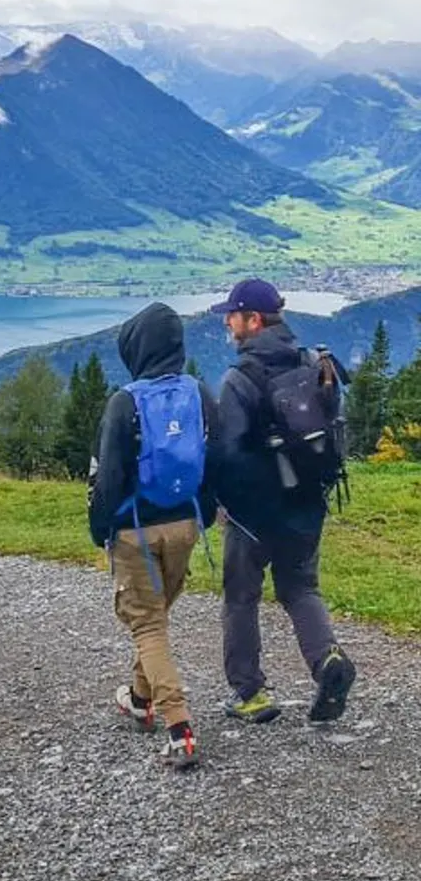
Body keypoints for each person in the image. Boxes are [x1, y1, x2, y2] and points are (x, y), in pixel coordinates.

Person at [213, 278, 355, 724]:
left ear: (253, 320)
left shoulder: (240, 379)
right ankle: (327, 659)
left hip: (254, 514)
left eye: (232, 315)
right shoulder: (315, 362)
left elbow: (228, 453)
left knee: (241, 597)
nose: (227, 322)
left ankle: (251, 693)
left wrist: (221, 502)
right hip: (307, 504)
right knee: (299, 588)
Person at [89, 302, 219, 771]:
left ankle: (179, 726)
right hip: (186, 526)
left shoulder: (126, 402)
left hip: (136, 530)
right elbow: (215, 458)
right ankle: (141, 697)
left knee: (147, 624)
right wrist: (203, 515)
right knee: (157, 616)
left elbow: (109, 478)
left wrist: (100, 528)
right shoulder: (199, 392)